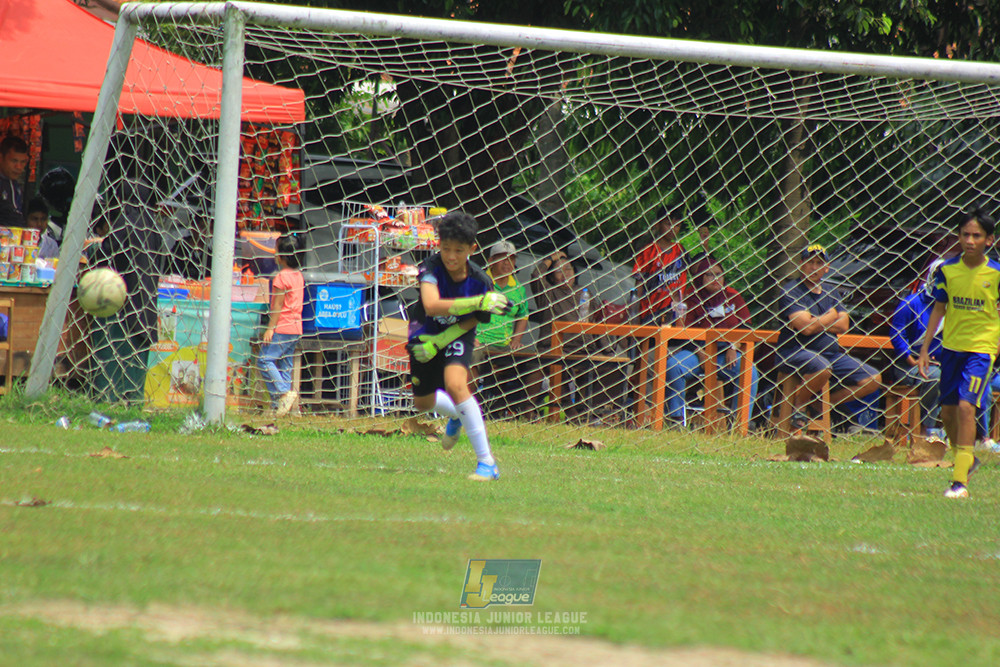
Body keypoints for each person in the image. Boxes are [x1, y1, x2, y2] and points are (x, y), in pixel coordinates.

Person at [405, 211, 511, 481]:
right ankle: (457, 415)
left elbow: (473, 320)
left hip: (457, 335)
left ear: (472, 249)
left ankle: (487, 463)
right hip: (424, 331)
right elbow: (430, 305)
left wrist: (442, 341)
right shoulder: (430, 267)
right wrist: (476, 302)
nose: (451, 256)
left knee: (456, 384)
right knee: (422, 402)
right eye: (445, 249)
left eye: (458, 250)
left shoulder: (481, 282)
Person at [918, 208, 1000, 498]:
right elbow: (939, 309)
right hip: (951, 349)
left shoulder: (996, 273)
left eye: (976, 235)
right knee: (948, 413)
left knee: (967, 407)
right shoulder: (947, 270)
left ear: (989, 240)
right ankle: (968, 460)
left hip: (981, 350)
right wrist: (926, 348)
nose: (970, 240)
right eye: (965, 234)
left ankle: (959, 481)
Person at [775, 243, 882, 432]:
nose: (814, 267)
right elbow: (806, 329)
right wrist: (830, 316)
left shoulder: (831, 291)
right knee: (822, 367)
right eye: (809, 262)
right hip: (795, 352)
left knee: (873, 378)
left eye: (818, 263)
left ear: (826, 268)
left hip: (831, 355)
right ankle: (799, 406)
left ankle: (822, 405)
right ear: (801, 264)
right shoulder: (791, 290)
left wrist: (816, 321)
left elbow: (844, 325)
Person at [676, 259, 760, 421]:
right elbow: (684, 334)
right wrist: (699, 352)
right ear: (700, 277)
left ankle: (740, 423)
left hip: (725, 354)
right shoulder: (692, 299)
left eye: (719, 274)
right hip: (698, 351)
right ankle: (676, 418)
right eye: (709, 275)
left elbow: (746, 328)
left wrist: (733, 346)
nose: (715, 278)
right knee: (674, 366)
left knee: (749, 370)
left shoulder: (733, 296)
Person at [473, 240, 541, 419]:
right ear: (490, 261)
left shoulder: (518, 288)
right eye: (502, 259)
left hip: (503, 345)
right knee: (472, 357)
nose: (507, 263)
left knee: (536, 363)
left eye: (511, 259)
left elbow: (523, 315)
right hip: (479, 341)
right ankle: (468, 407)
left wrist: (516, 340)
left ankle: (526, 411)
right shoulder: (477, 282)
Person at [890, 258, 946, 436]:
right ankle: (924, 427)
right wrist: (911, 359)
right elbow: (897, 334)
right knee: (936, 377)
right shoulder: (911, 303)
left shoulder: (953, 307)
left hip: (941, 361)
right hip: (908, 363)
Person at [259, 233, 305, 417]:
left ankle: (282, 393)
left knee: (264, 360)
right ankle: (283, 407)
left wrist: (270, 328)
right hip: (296, 328)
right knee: (285, 365)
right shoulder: (298, 276)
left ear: (284, 256)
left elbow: (277, 306)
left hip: (283, 327)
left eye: (276, 251)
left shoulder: (281, 278)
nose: (274, 254)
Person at [632, 206, 689, 325]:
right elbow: (639, 283)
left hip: (675, 312)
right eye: (668, 224)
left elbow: (697, 271)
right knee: (650, 342)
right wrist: (635, 313)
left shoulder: (681, 251)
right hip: (651, 311)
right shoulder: (649, 251)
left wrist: (705, 246)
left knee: (676, 342)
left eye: (677, 225)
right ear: (657, 224)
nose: (672, 228)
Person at [0, 135, 28, 226]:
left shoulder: (15, 186)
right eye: (14, 161)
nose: (18, 167)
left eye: (23, 162)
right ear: (1, 158)